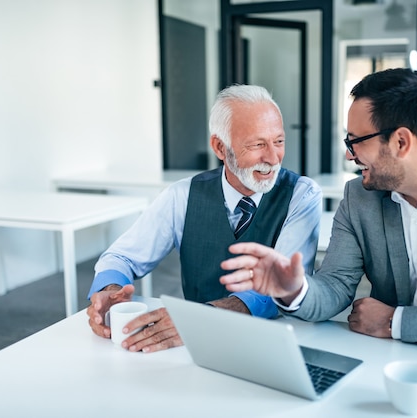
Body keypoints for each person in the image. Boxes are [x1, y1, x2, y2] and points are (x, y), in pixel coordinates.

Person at [219, 68, 417, 358]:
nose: (350, 156)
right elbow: (335, 286)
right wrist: (295, 289)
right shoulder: (359, 197)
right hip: (384, 366)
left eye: (355, 142)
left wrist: (397, 322)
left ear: (401, 142)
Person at [86, 84, 322, 353]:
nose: (272, 157)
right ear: (220, 147)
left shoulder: (302, 195)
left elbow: (284, 285)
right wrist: (110, 290)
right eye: (257, 144)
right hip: (195, 348)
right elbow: (121, 257)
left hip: (274, 343)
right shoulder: (182, 196)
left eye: (278, 141)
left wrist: (199, 319)